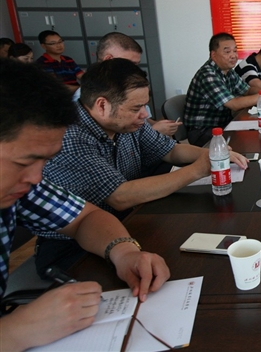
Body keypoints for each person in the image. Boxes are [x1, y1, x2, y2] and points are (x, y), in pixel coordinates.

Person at [0, 59, 170, 351]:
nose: (37, 177)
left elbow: (85, 217)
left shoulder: (21, 187)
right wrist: (15, 330)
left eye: (44, 161)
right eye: (25, 162)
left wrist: (124, 251)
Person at [36, 58, 248, 273]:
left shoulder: (127, 122)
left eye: (144, 105)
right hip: (74, 245)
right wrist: (196, 170)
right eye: (136, 108)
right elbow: (119, 196)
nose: (145, 115)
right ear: (102, 105)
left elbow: (170, 150)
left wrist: (212, 154)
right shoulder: (71, 136)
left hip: (129, 219)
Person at [184, 33, 261, 146]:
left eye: (235, 51)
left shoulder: (229, 71)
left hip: (222, 124)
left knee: (259, 134)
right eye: (227, 52)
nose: (233, 55)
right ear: (214, 55)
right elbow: (234, 104)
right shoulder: (208, 75)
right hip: (202, 131)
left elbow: (247, 90)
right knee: (250, 142)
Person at [74, 32, 181, 137]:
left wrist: (155, 127)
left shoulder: (129, 90)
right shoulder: (87, 100)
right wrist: (154, 131)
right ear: (109, 60)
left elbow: (143, 122)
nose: (135, 70)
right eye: (130, 64)